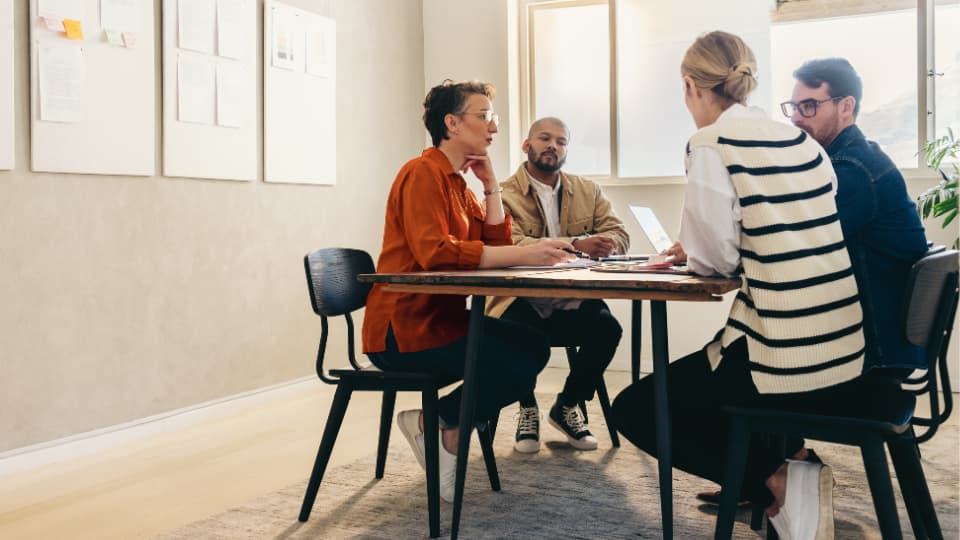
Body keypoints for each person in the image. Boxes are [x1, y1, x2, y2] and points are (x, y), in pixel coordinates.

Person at [611, 31, 912, 540]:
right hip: (842, 348)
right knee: (709, 373)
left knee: (640, 407)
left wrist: (698, 247)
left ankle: (777, 479)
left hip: (784, 357)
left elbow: (715, 261)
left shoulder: (710, 143)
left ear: (690, 86)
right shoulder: (805, 144)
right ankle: (785, 466)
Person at [695, 57, 932, 510]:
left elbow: (792, 244)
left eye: (809, 106)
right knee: (753, 346)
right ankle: (782, 467)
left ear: (846, 106)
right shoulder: (851, 161)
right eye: (793, 106)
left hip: (869, 350)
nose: (797, 118)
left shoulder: (851, 171)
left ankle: (770, 474)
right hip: (877, 338)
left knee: (722, 371)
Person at [361, 80, 576, 503]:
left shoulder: (459, 184)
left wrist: (491, 185)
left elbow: (494, 242)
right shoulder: (421, 173)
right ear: (452, 123)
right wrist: (527, 253)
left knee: (533, 346)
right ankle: (443, 428)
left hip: (442, 324)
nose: (494, 127)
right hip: (404, 333)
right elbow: (435, 252)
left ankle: (440, 422)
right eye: (485, 117)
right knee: (515, 361)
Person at [485, 116, 629, 453]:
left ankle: (567, 405)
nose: (553, 146)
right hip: (521, 298)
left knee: (608, 329)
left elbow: (619, 233)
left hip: (572, 297)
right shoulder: (502, 194)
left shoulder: (588, 190)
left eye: (561, 141)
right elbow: (509, 243)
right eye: (545, 138)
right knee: (517, 336)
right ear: (527, 145)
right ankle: (527, 408)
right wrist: (576, 244)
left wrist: (607, 244)